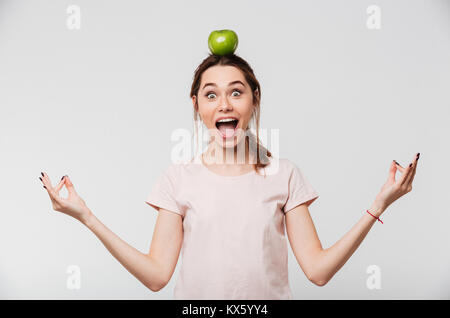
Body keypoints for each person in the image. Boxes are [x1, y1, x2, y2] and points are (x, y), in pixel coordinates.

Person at [39, 53, 419, 300]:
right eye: (211, 95)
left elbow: (318, 272)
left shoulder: (284, 175)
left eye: (236, 93)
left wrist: (379, 204)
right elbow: (156, 277)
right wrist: (86, 217)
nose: (224, 104)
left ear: (254, 100)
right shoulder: (177, 179)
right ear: (196, 106)